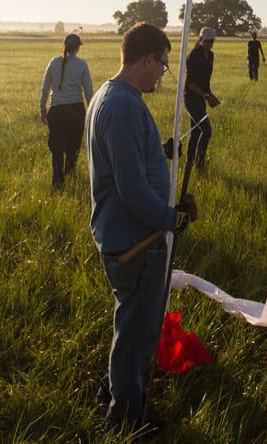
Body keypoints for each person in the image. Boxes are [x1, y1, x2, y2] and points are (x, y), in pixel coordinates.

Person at [86, 22, 197, 434]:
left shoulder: (108, 96)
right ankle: (125, 421)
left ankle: (113, 393)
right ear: (147, 58)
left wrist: (159, 151)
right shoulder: (126, 105)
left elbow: (127, 161)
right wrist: (169, 218)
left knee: (130, 324)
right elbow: (131, 188)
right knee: (137, 333)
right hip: (137, 240)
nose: (162, 74)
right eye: (163, 66)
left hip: (124, 234)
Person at [40, 33, 94, 189]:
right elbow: (89, 92)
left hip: (56, 110)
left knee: (56, 148)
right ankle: (71, 173)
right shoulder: (82, 65)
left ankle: (57, 180)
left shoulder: (53, 63)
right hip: (76, 110)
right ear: (77, 48)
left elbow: (45, 89)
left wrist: (43, 109)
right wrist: (92, 112)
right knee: (73, 145)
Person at [184, 26, 220, 171]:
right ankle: (199, 165)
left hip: (200, 98)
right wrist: (205, 96)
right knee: (206, 130)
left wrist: (210, 96)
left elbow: (206, 82)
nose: (210, 44)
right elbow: (190, 83)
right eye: (207, 41)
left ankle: (189, 163)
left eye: (212, 41)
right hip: (191, 98)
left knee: (196, 132)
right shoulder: (193, 55)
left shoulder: (210, 56)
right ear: (200, 39)